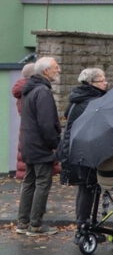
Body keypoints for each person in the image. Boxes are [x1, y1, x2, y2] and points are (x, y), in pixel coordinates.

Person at [16, 57, 62, 236]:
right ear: (46, 71)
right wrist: (55, 145)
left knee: (29, 182)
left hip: (28, 143)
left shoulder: (29, 89)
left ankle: (23, 222)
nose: (58, 70)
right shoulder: (42, 91)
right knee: (42, 183)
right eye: (56, 67)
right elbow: (46, 123)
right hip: (40, 145)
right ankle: (35, 225)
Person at [64, 68, 108, 231]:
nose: (105, 83)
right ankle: (84, 224)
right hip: (85, 150)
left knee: (85, 187)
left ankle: (82, 223)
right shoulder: (92, 101)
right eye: (102, 80)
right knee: (88, 186)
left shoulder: (79, 97)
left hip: (76, 147)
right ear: (91, 83)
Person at [11, 62, 35, 180]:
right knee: (35, 177)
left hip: (25, 131)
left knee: (27, 175)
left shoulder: (22, 90)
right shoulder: (32, 89)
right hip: (33, 133)